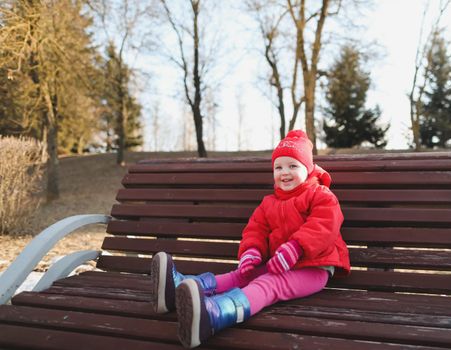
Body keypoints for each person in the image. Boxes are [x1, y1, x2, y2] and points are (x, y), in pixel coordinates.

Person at [150, 130, 350, 348]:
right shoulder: (269, 203)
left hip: (314, 268)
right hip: (279, 263)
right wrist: (251, 252)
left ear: (308, 168)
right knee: (242, 274)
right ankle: (179, 290)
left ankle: (216, 314)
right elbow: (255, 229)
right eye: (278, 167)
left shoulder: (320, 195)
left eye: (293, 166)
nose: (285, 172)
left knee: (269, 284)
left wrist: (296, 247)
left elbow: (324, 224)